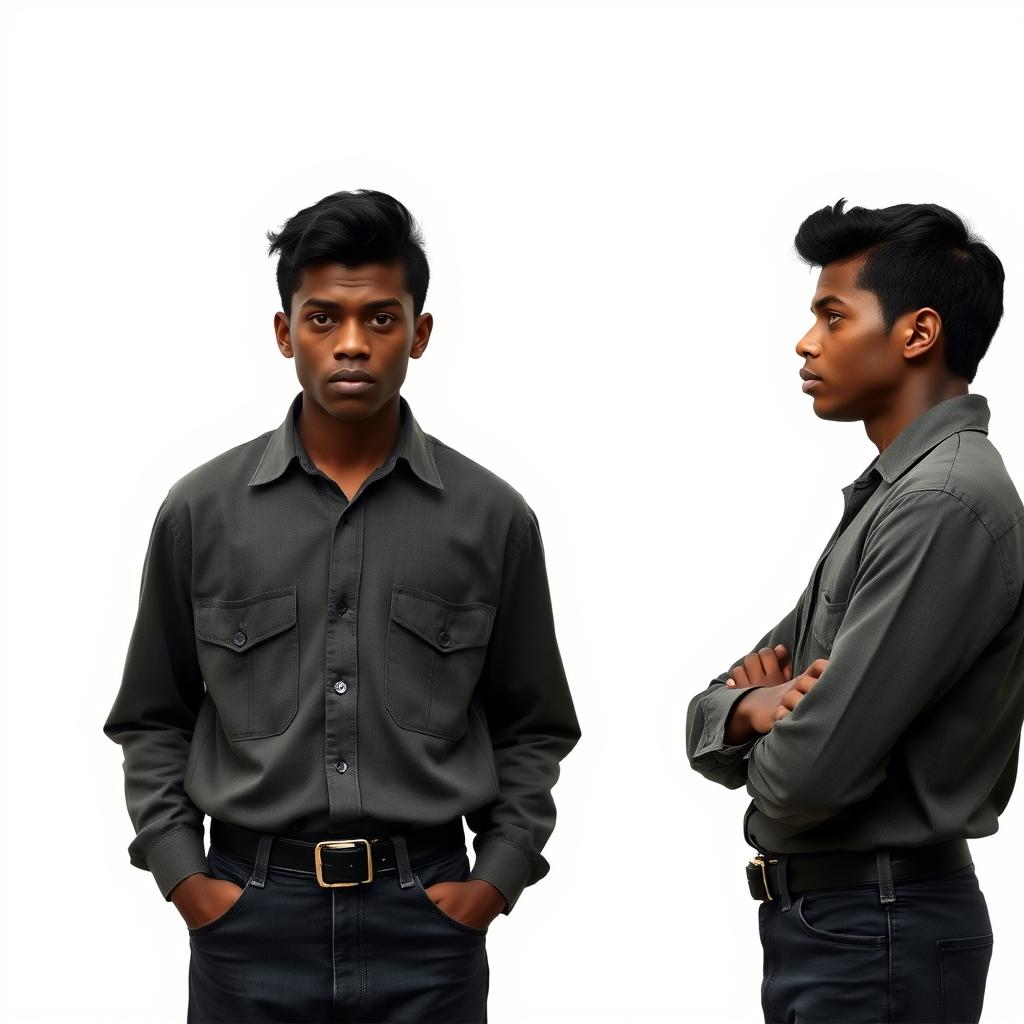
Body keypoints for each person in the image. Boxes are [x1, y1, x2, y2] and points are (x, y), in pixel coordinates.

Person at [103, 189, 580, 1024]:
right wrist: (186, 877)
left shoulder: (493, 518)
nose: (352, 344)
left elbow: (533, 725)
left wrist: (493, 879)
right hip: (249, 919)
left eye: (381, 319)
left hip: (426, 920)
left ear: (419, 334)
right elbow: (153, 717)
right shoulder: (201, 511)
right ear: (285, 332)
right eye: (323, 319)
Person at [686, 199, 1024, 1023]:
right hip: (846, 928)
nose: (807, 343)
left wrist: (768, 734)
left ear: (917, 334)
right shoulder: (895, 496)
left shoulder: (942, 502)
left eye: (833, 317)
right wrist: (748, 711)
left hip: (880, 930)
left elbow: (809, 777)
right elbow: (710, 710)